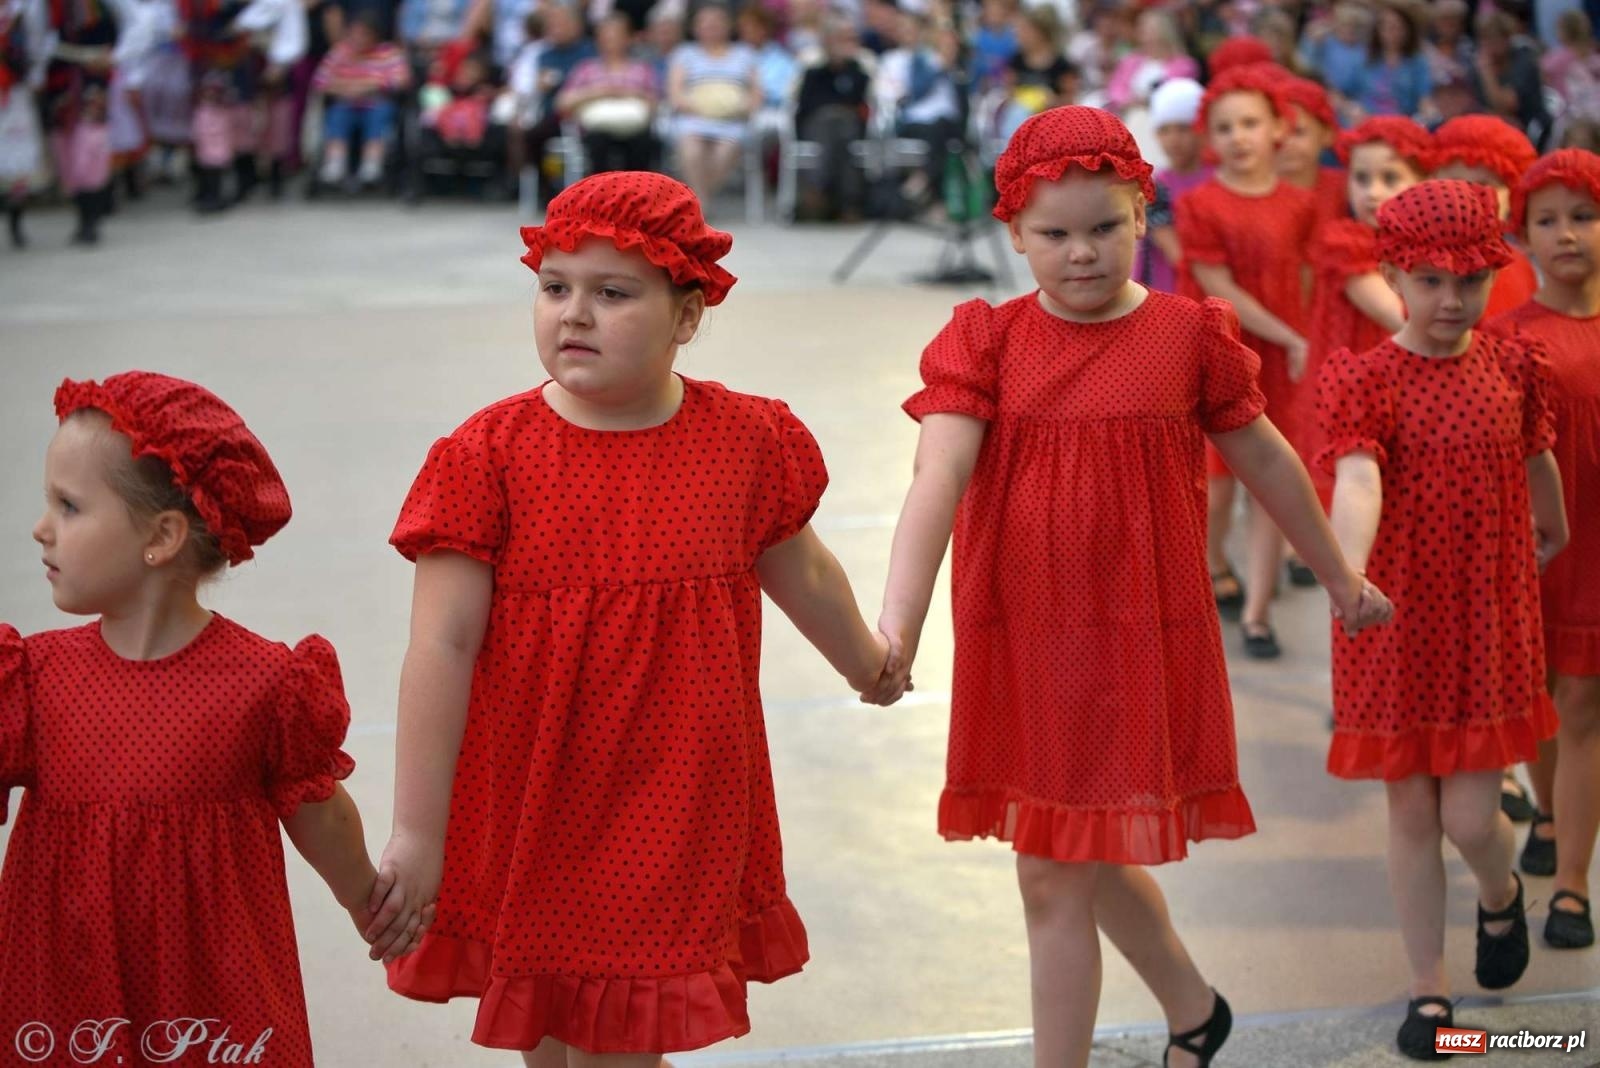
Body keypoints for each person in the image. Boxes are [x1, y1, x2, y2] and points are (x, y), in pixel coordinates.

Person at [878, 106, 1392, 1068]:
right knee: (1077, 850)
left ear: (1143, 213)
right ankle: (1196, 1009)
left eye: (1104, 227)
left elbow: (1272, 463)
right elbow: (935, 480)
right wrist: (895, 627)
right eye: (1054, 234)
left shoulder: (1189, 334)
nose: (1081, 254)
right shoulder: (984, 340)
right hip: (1023, 632)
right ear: (1013, 234)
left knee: (1053, 870)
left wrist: (1338, 576)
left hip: (1136, 634)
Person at [376, 171, 904, 1066]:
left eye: (612, 293)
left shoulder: (745, 442)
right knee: (546, 1025)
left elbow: (802, 569)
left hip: (677, 797)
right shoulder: (486, 458)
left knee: (626, 1032)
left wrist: (867, 661)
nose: (573, 314)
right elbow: (442, 644)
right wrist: (417, 833)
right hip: (533, 793)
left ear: (687, 316)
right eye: (554, 288)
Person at [0, 372, 424, 1068]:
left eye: (70, 507)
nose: (41, 528)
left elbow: (318, 811)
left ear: (161, 537)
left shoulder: (265, 685)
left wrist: (368, 904)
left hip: (215, 1014)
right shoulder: (33, 680)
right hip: (65, 1005)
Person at [1319, 179, 1567, 1060]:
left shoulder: (1511, 367)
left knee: (1472, 816)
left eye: (1469, 281)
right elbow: (1358, 480)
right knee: (1411, 815)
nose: (1451, 300)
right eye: (1427, 281)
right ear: (1392, 275)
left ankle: (1500, 893)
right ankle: (1429, 988)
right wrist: (1347, 573)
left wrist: (1556, 524)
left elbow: (1537, 456)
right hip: (1394, 618)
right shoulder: (1368, 378)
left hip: (1488, 616)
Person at [1487, 149, 1600, 951]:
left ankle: (1572, 884)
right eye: (1548, 221)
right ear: (1521, 237)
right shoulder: (1503, 340)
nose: (1568, 235)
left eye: (1585, 216)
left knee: (1587, 704)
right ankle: (1554, 815)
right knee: (1544, 703)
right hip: (1535, 541)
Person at [1175, 62, 1319, 653]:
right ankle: (1213, 567)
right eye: (1226, 126)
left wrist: (1303, 341)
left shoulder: (1301, 202)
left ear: (1277, 130)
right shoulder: (1201, 204)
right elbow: (1218, 286)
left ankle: (1258, 611)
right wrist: (1288, 334)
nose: (1239, 137)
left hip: (1287, 352)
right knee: (1216, 482)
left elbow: (1309, 276)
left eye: (1251, 124)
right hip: (1225, 349)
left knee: (1273, 478)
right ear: (1212, 136)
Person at [1299, 116, 1430, 503]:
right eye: (1361, 178)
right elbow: (1399, 317)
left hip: (1408, 388)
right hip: (1356, 393)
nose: (1373, 192)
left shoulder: (1421, 247)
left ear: (1421, 182)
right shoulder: (1347, 242)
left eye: (1390, 179)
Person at [667, 3, 756, 211]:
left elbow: (755, 92)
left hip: (731, 119)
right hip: (694, 115)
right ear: (695, 28)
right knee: (692, 149)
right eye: (706, 24)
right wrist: (701, 107)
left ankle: (697, 200)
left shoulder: (744, 53)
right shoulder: (684, 53)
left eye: (716, 23)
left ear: (728, 27)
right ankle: (701, 204)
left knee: (726, 150)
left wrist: (739, 107)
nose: (711, 28)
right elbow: (676, 92)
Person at [312, 12, 409, 188]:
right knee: (337, 116)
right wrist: (348, 88)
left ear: (374, 35)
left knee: (379, 116)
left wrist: (366, 87)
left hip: (377, 103)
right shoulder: (339, 52)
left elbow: (401, 80)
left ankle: (371, 164)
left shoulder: (388, 52)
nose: (358, 39)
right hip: (345, 103)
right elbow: (320, 82)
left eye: (364, 34)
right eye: (354, 34)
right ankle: (335, 163)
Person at [556, 11, 659, 174]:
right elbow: (562, 102)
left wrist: (631, 94)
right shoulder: (585, 69)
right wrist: (598, 93)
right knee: (597, 143)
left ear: (629, 38)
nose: (611, 40)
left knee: (644, 143)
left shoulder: (642, 69)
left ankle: (636, 194)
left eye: (617, 35)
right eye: (606, 36)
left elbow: (656, 104)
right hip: (596, 130)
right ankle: (602, 195)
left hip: (635, 128)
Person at [1139, 76, 1208, 294]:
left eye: (1183, 129)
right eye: (1165, 131)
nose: (1174, 139)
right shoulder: (1157, 186)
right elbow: (1175, 253)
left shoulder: (1221, 177)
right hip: (1173, 289)